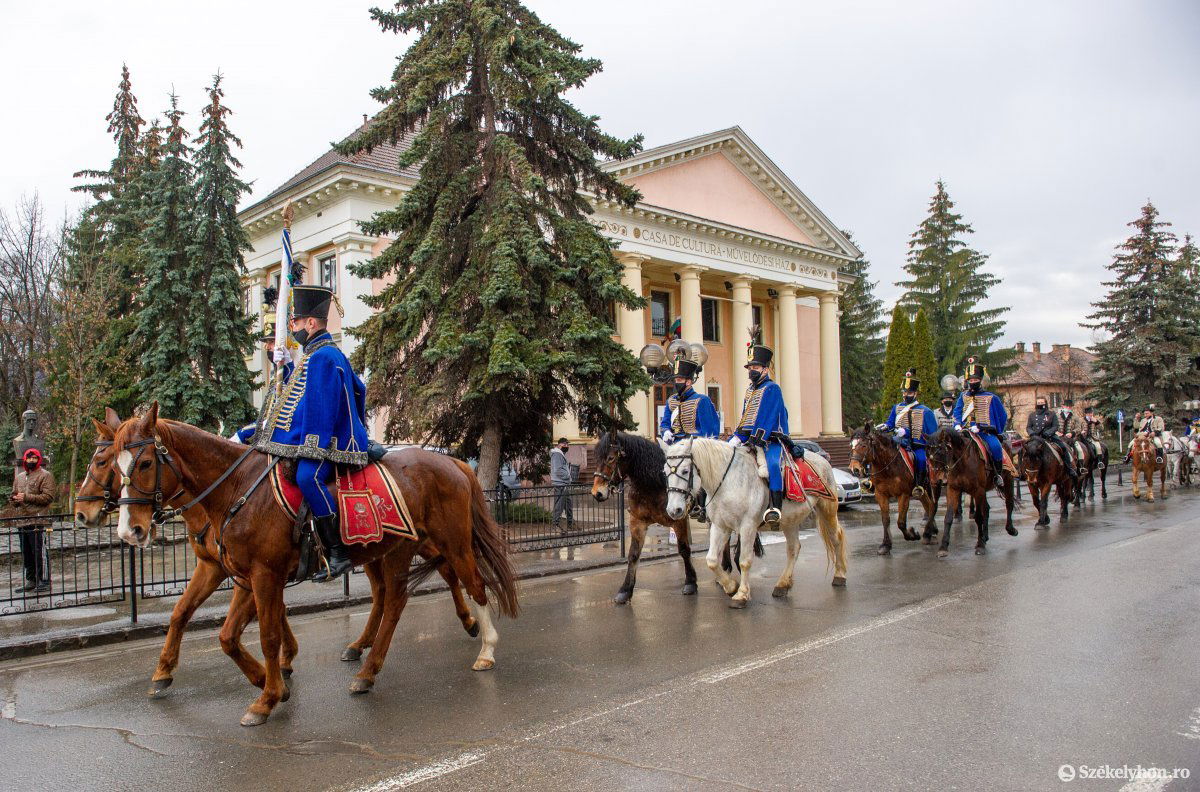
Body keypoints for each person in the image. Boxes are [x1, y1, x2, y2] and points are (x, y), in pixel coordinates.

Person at [252, 285, 368, 582]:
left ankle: (338, 553)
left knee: (307, 476)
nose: (293, 329)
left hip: (333, 442)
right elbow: (301, 396)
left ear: (312, 324)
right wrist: (282, 365)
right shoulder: (315, 355)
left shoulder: (323, 357)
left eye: (296, 323)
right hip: (329, 436)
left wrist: (307, 446)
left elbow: (319, 409)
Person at [727, 344, 797, 527]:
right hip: (751, 440)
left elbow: (768, 417)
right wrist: (737, 437)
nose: (751, 371)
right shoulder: (750, 390)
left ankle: (775, 508)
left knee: (773, 465)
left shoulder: (772, 389)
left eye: (755, 368)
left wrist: (756, 439)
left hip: (772, 439)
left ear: (765, 369)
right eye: (750, 368)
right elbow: (746, 417)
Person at [659, 356, 720, 519]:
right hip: (676, 447)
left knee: (696, 471)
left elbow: (710, 431)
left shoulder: (702, 401)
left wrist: (692, 441)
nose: (676, 382)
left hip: (696, 447)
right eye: (675, 379)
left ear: (688, 382)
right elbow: (665, 422)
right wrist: (665, 431)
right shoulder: (671, 402)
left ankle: (701, 506)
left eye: (679, 379)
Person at [951, 356, 1008, 487]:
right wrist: (957, 425)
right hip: (964, 432)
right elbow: (957, 412)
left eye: (976, 379)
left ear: (980, 380)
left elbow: (1002, 416)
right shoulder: (963, 396)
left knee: (995, 447)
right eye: (971, 380)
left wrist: (986, 428)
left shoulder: (991, 397)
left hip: (984, 432)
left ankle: (997, 475)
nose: (973, 382)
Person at [880, 369, 938, 497]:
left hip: (916, 445)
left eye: (909, 392)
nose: (906, 395)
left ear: (916, 393)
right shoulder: (897, 407)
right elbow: (890, 423)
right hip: (898, 442)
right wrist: (885, 426)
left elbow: (931, 434)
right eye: (905, 392)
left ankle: (919, 485)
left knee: (921, 460)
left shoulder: (925, 411)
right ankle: (875, 482)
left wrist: (906, 431)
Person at [11, 448, 55, 593]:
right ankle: (31, 580)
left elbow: (48, 497)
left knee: (39, 552)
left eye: (34, 458)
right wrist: (14, 500)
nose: (31, 461)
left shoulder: (45, 475)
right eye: (29, 458)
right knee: (27, 553)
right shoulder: (19, 477)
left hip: (38, 520)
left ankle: (44, 580)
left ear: (38, 460)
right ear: (25, 459)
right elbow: (15, 495)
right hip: (22, 520)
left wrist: (26, 497)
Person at [1026, 396, 1078, 479]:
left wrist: (1047, 433)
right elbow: (1028, 427)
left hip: (1050, 436)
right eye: (1038, 403)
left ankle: (1069, 468)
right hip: (1036, 437)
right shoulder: (1032, 415)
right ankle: (1022, 471)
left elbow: (1055, 426)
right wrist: (1032, 434)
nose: (1040, 404)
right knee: (1024, 449)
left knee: (1063, 447)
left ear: (1045, 403)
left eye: (1042, 403)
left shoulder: (1051, 414)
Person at [549, 437, 574, 533]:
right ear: (559, 445)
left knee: (568, 505)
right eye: (565, 444)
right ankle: (555, 525)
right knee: (559, 506)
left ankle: (571, 524)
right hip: (560, 484)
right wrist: (568, 476)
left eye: (568, 444)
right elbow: (558, 470)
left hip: (564, 484)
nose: (567, 446)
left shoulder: (560, 454)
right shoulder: (557, 454)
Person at [1055, 399, 1084, 480]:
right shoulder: (1057, 415)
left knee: (1080, 450)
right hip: (1058, 438)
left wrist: (1072, 433)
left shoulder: (1075, 417)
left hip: (1070, 439)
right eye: (1066, 406)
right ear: (1063, 406)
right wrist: (1056, 432)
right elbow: (1052, 426)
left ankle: (1081, 467)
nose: (1068, 408)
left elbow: (1079, 428)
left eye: (1069, 406)